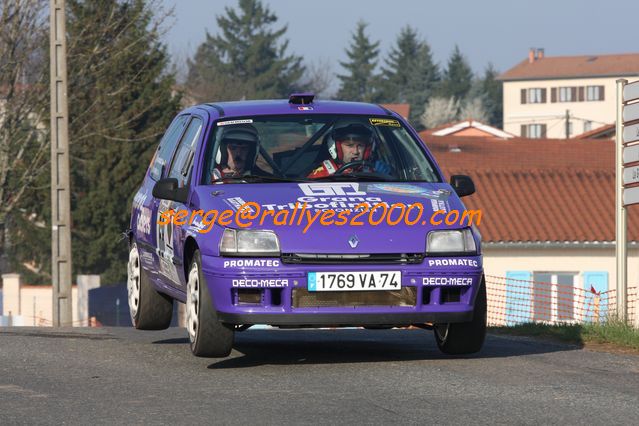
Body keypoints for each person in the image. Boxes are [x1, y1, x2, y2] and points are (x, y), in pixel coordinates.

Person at [308, 122, 391, 178]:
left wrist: (385, 177)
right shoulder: (321, 174)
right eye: (350, 145)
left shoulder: (373, 171)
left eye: (360, 146)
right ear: (335, 147)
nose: (355, 152)